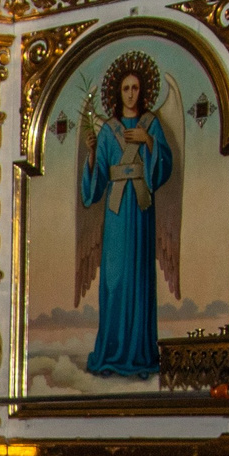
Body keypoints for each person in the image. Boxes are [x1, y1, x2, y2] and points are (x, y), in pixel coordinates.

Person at [79, 57, 176, 379]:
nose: (131, 94)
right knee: (114, 278)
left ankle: (139, 355)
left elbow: (163, 165)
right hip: (117, 212)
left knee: (138, 277)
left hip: (141, 208)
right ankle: (111, 352)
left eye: (135, 88)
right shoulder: (109, 129)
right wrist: (93, 153)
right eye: (125, 88)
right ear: (117, 93)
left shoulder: (151, 124)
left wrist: (148, 142)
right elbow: (95, 186)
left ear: (142, 91)